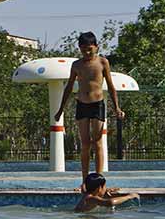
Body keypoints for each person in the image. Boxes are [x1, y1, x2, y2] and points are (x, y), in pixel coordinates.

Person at [53, 32, 125, 189]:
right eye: (83, 49)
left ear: (96, 47)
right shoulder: (77, 65)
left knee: (98, 143)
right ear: (79, 48)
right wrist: (60, 110)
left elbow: (111, 87)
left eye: (89, 49)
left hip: (97, 105)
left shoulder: (103, 62)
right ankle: (85, 182)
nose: (86, 53)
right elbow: (69, 87)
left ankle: (100, 183)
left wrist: (117, 107)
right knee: (85, 144)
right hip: (82, 105)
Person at [75, 172, 139, 213]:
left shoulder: (86, 194)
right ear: (99, 188)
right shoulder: (91, 199)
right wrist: (129, 196)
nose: (106, 188)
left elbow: (83, 187)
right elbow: (110, 202)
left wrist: (107, 190)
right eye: (105, 186)